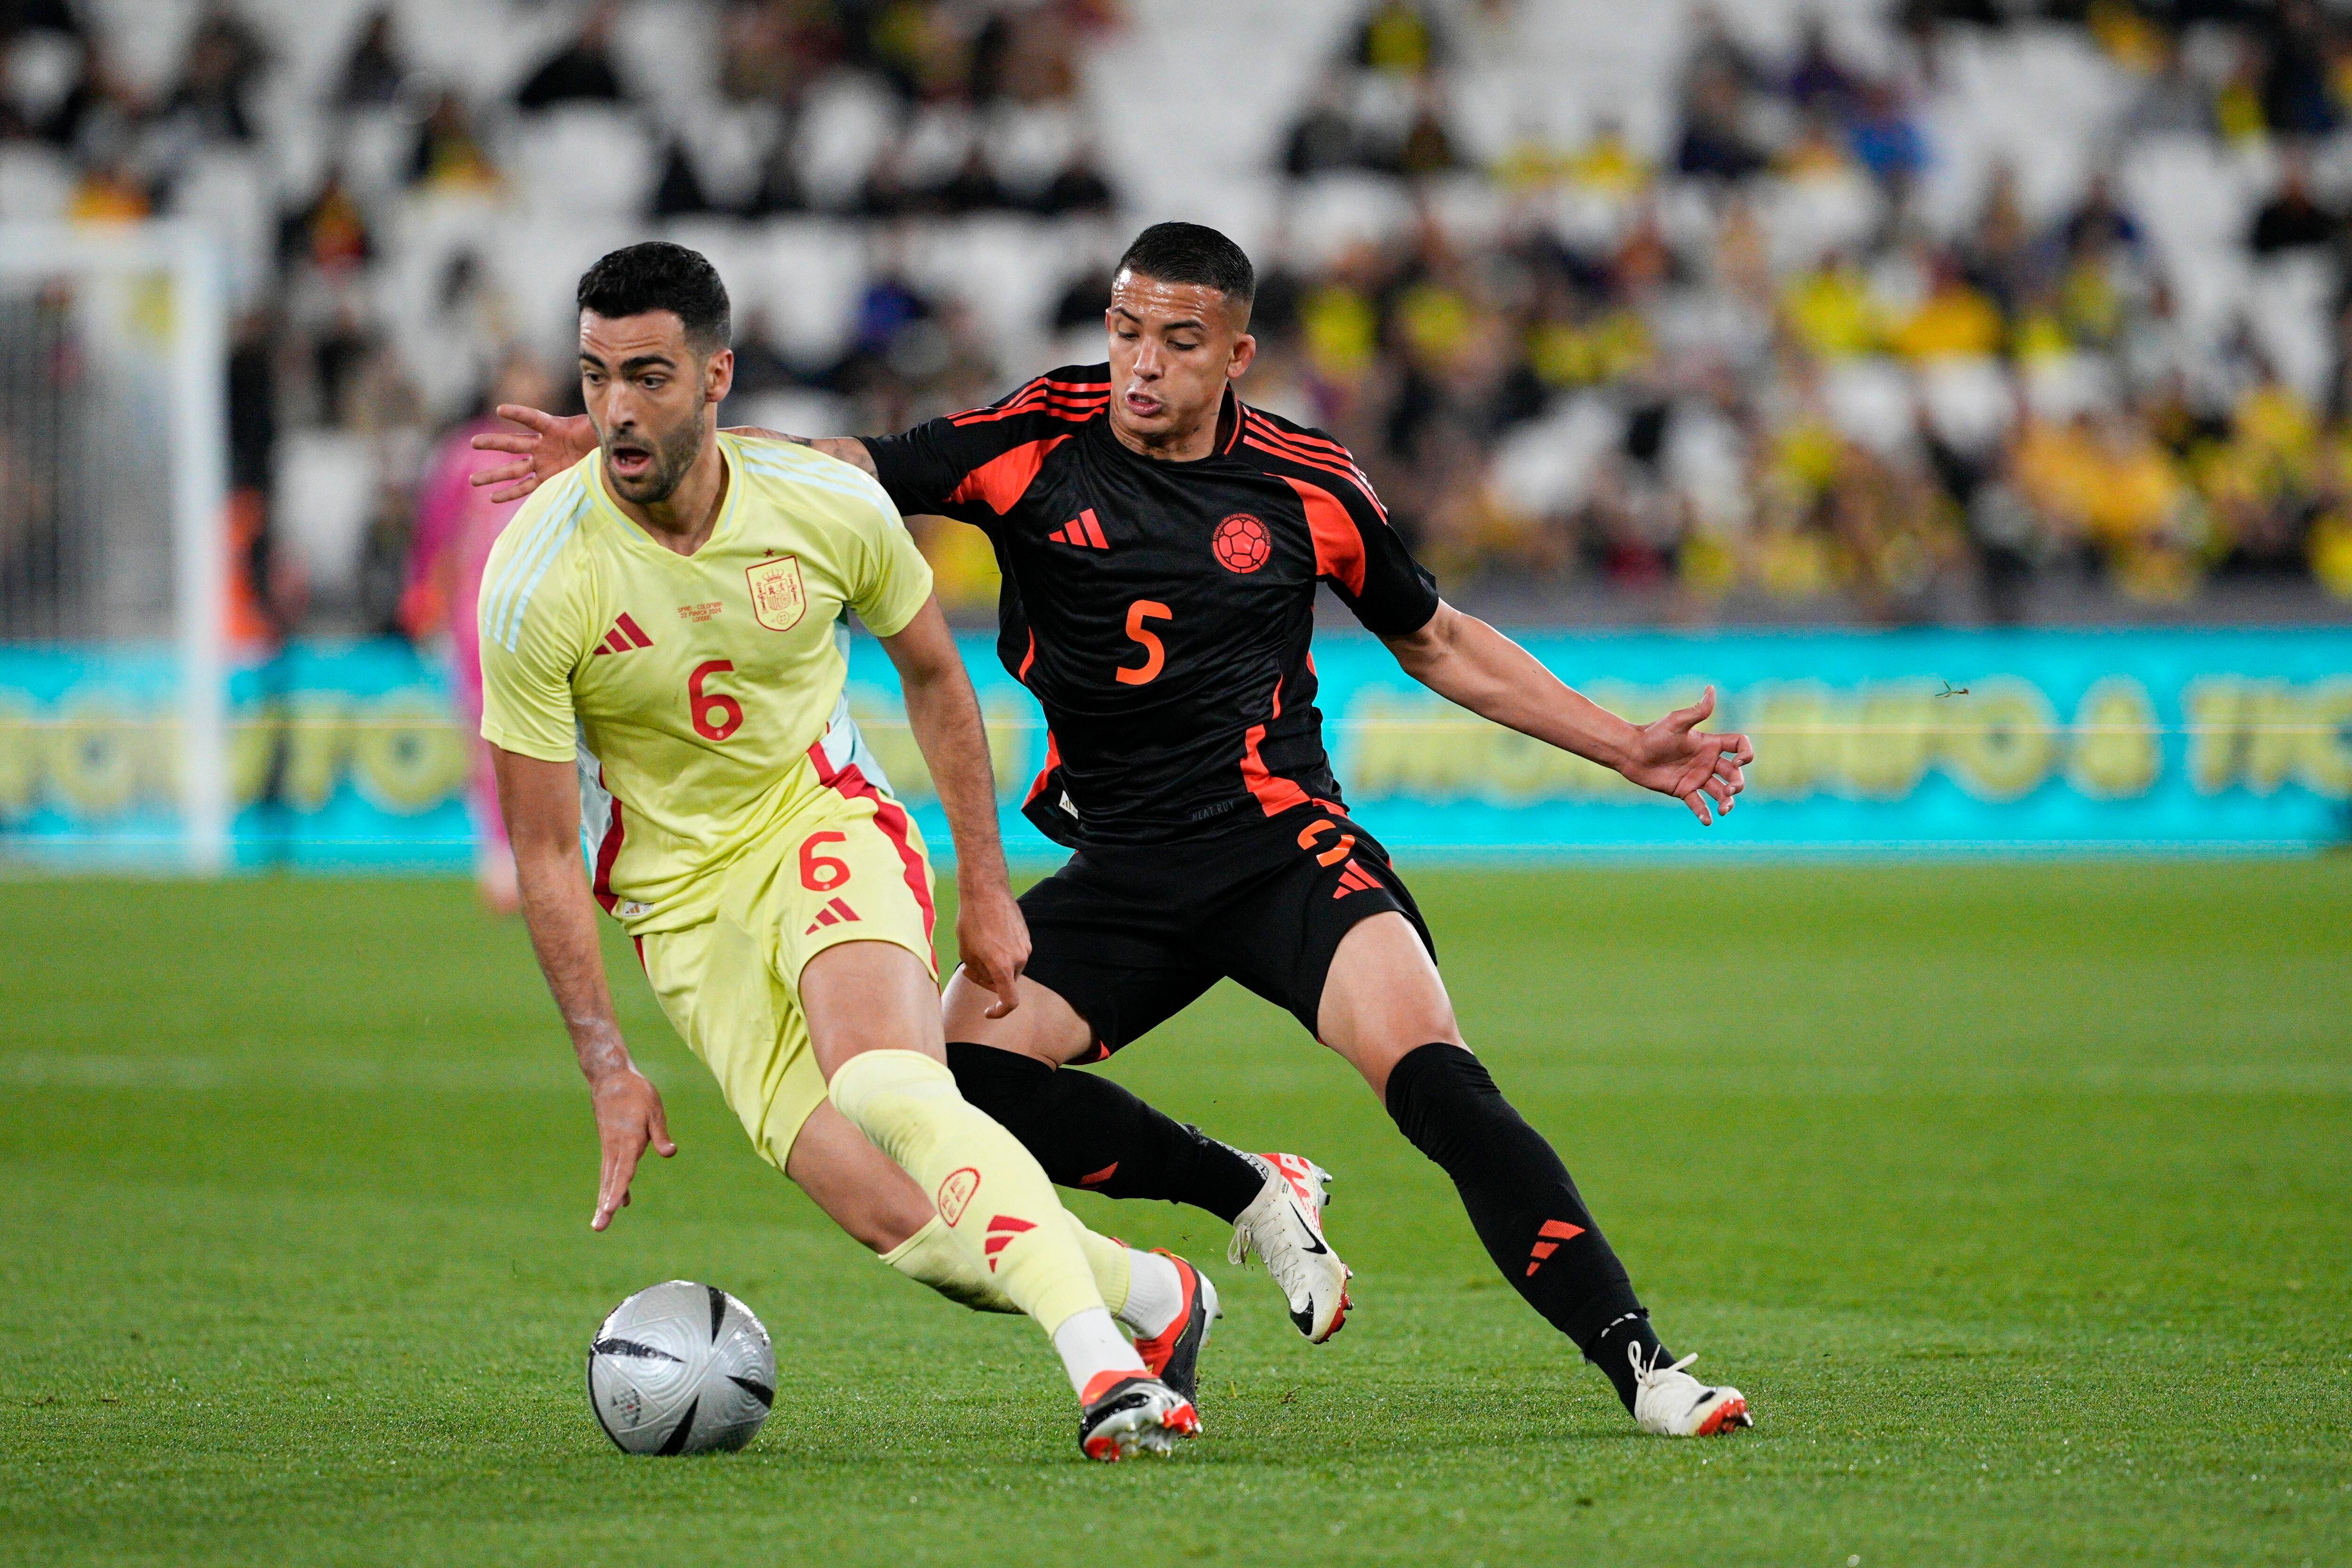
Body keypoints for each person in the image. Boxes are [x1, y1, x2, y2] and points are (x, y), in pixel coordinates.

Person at [474, 223, 1757, 1437]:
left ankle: (1644, 1363)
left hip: (1283, 848)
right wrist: (638, 444)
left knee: (1437, 1081)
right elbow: (839, 466)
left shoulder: (1307, 482)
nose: (1142, 363)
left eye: (1178, 341)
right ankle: (1246, 1189)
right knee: (951, 1079)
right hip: (1124, 873)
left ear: (1236, 354)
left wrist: (1620, 742)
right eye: (1126, 330)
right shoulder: (1036, 437)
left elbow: (1441, 641)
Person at [478, 241, 1207, 1461]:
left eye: (649, 375)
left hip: (820, 819)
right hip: (679, 907)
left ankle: (1107, 1373)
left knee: (885, 1082)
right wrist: (607, 1065)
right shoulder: (535, 576)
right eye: (597, 375)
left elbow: (934, 676)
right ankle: (1156, 1293)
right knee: (915, 1230)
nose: (616, 409)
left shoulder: (822, 504)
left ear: (717, 376)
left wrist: (986, 887)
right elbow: (548, 852)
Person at [403, 351, 555, 913]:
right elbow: (435, 538)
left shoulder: (567, 453)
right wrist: (426, 604)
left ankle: (558, 852)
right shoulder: (463, 455)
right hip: (480, 616)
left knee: (562, 740)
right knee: (492, 740)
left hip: (555, 615)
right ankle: (500, 857)